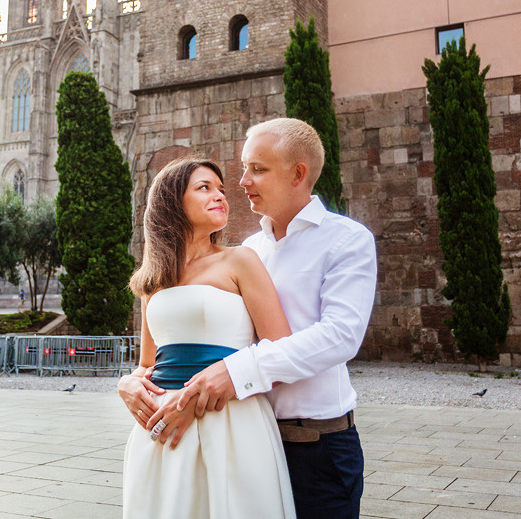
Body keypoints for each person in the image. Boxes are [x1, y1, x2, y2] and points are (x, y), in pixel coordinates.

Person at [134, 118, 377, 518]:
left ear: (298, 173)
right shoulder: (249, 249)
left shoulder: (346, 240)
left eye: (257, 169)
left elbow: (341, 336)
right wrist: (132, 382)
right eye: (245, 168)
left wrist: (235, 372)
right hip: (239, 432)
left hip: (315, 444)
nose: (242, 180)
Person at [119, 158, 295, 518]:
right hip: (163, 427)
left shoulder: (240, 261)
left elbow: (281, 348)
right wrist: (127, 384)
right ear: (171, 201)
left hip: (229, 421)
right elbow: (147, 364)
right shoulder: (155, 278)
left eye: (221, 189)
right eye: (205, 188)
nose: (220, 196)